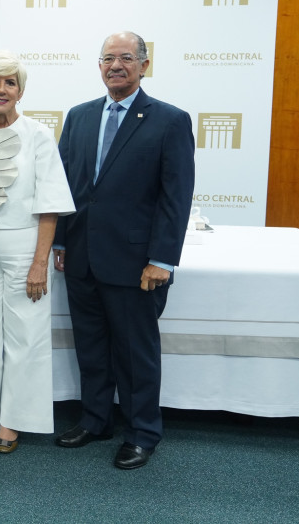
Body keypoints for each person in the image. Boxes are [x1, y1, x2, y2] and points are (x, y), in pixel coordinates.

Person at [53, 31, 195, 470]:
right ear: (98, 66)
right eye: (108, 58)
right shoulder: (78, 117)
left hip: (137, 263)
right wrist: (59, 240)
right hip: (81, 256)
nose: (116, 65)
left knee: (135, 352)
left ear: (144, 65)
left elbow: (176, 196)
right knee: (92, 347)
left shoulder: (169, 120)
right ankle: (96, 420)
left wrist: (162, 259)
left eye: (126, 58)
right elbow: (66, 186)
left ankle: (142, 432)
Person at [0, 50, 75, 454]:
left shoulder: (39, 134)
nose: (0, 89)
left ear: (20, 90)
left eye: (9, 82)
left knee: (25, 338)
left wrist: (40, 263)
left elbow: (50, 203)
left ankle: (12, 422)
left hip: (27, 251)